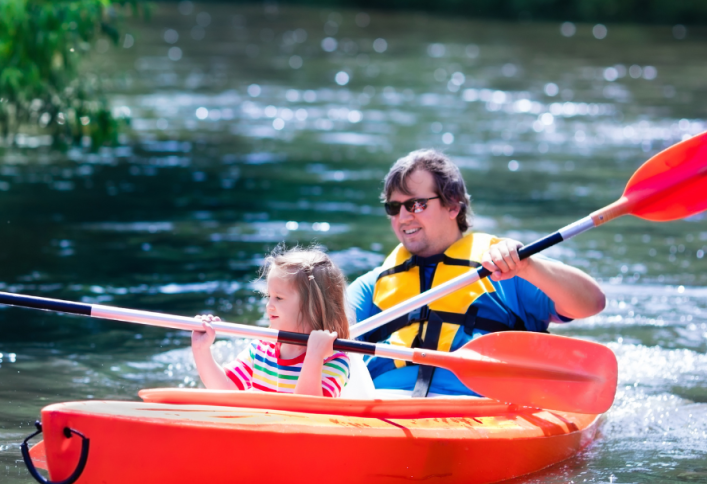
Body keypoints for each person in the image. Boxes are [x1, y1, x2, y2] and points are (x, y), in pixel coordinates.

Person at [348, 149, 606, 397]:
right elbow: (324, 331)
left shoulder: (507, 267)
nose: (403, 217)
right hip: (384, 403)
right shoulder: (372, 286)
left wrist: (529, 267)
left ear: (452, 207)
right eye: (394, 208)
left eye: (416, 205)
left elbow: (591, 303)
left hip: (481, 406)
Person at [191, 246, 352, 397]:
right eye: (269, 297)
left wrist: (314, 356)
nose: (269, 306)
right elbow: (225, 389)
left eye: (279, 298)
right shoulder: (261, 348)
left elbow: (308, 414)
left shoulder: (335, 361)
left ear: (314, 306)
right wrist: (201, 350)